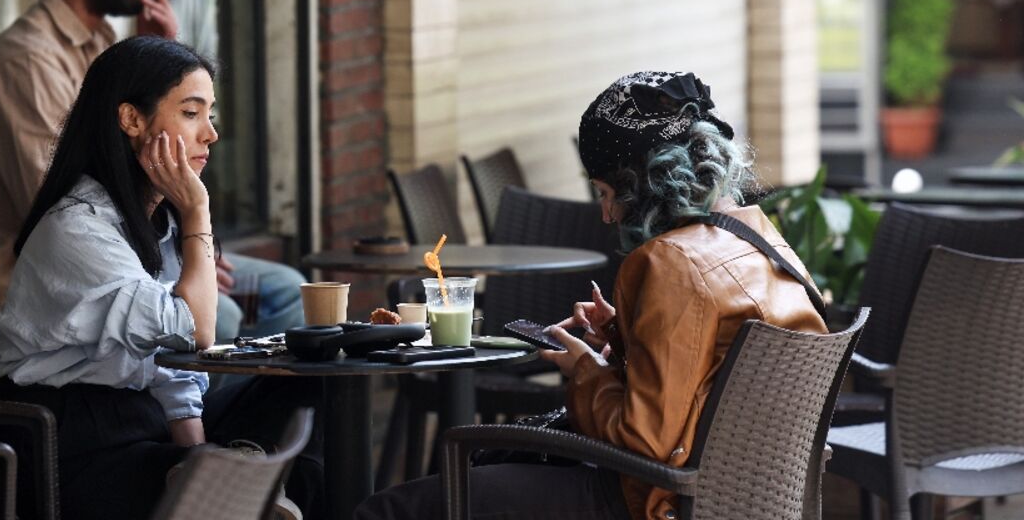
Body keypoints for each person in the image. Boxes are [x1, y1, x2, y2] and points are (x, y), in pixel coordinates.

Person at [355, 71, 828, 520]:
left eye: (604, 193)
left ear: (641, 185)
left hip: (652, 501)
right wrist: (626, 339)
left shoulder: (670, 262)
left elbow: (642, 441)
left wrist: (583, 367)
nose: (605, 214)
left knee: (392, 508)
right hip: (742, 500)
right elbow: (706, 379)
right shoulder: (763, 240)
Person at [0, 0, 303, 339]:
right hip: (60, 287)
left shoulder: (103, 40)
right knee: (224, 317)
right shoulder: (24, 64)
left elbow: (161, 155)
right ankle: (193, 414)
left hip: (137, 248)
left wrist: (164, 64)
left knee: (288, 289)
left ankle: (234, 411)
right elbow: (66, 203)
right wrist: (187, 249)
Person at [0, 38, 318, 520]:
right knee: (266, 474)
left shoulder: (155, 222)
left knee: (307, 385)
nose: (210, 133)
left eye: (211, 115)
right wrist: (198, 210)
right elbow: (195, 328)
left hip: (143, 428)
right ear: (132, 120)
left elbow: (177, 369)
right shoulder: (76, 227)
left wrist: (195, 452)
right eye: (191, 113)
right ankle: (242, 485)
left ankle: (239, 476)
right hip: (75, 446)